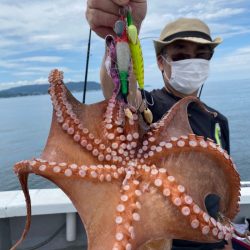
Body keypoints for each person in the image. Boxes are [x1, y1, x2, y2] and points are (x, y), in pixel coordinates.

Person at [86, 1, 232, 249]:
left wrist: (226, 240)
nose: (192, 61)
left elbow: (223, 190)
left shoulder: (218, 121)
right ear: (161, 62)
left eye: (202, 55)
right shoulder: (149, 106)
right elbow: (121, 92)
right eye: (181, 55)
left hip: (214, 241)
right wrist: (118, 34)